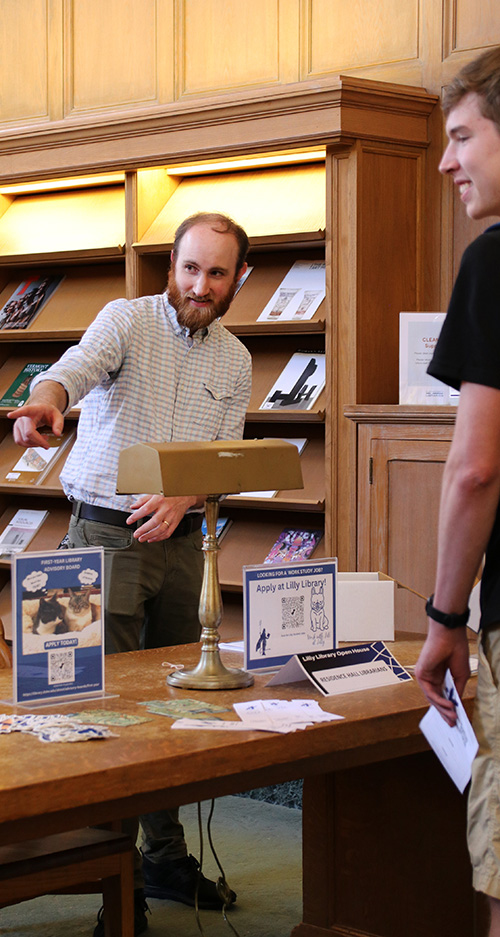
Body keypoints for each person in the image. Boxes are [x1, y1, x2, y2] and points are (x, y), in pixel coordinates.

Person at [9, 211, 252, 936]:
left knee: (177, 704)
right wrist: (45, 401)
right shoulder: (126, 319)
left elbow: (226, 455)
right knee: (94, 709)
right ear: (168, 268)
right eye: (188, 268)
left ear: (238, 278)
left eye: (216, 273)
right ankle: (116, 878)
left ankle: (164, 857)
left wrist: (186, 495)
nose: (199, 285)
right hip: (99, 535)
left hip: (183, 542)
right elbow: (72, 369)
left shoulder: (236, 358)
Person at [414, 47, 500, 937]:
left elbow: (476, 465)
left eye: (463, 137)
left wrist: (445, 619)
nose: (446, 161)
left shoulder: (493, 262)